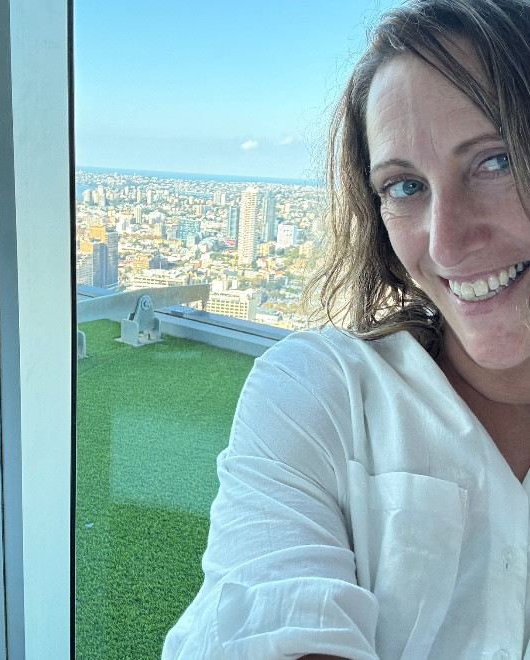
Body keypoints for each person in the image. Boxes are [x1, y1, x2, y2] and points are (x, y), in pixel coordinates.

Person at [162, 0, 530, 657]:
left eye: (495, 161)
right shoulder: (323, 394)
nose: (444, 244)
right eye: (406, 186)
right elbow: (270, 617)